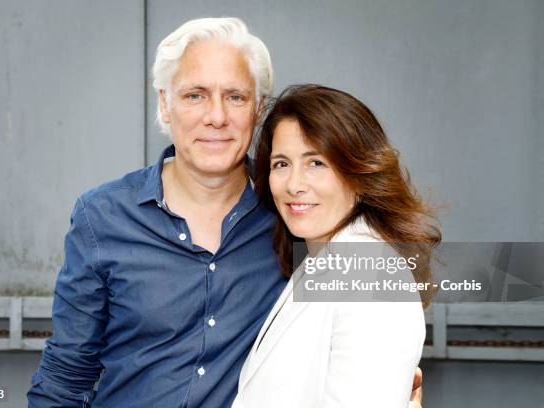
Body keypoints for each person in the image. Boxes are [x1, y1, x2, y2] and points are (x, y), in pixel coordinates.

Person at [28, 18, 424, 407]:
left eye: (235, 96)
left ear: (258, 109)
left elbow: (367, 308)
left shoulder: (293, 216)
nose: (216, 116)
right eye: (195, 95)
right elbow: (67, 374)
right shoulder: (103, 216)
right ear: (166, 103)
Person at [232, 84, 440, 407]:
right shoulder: (322, 263)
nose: (294, 185)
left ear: (358, 174)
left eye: (316, 163)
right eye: (281, 164)